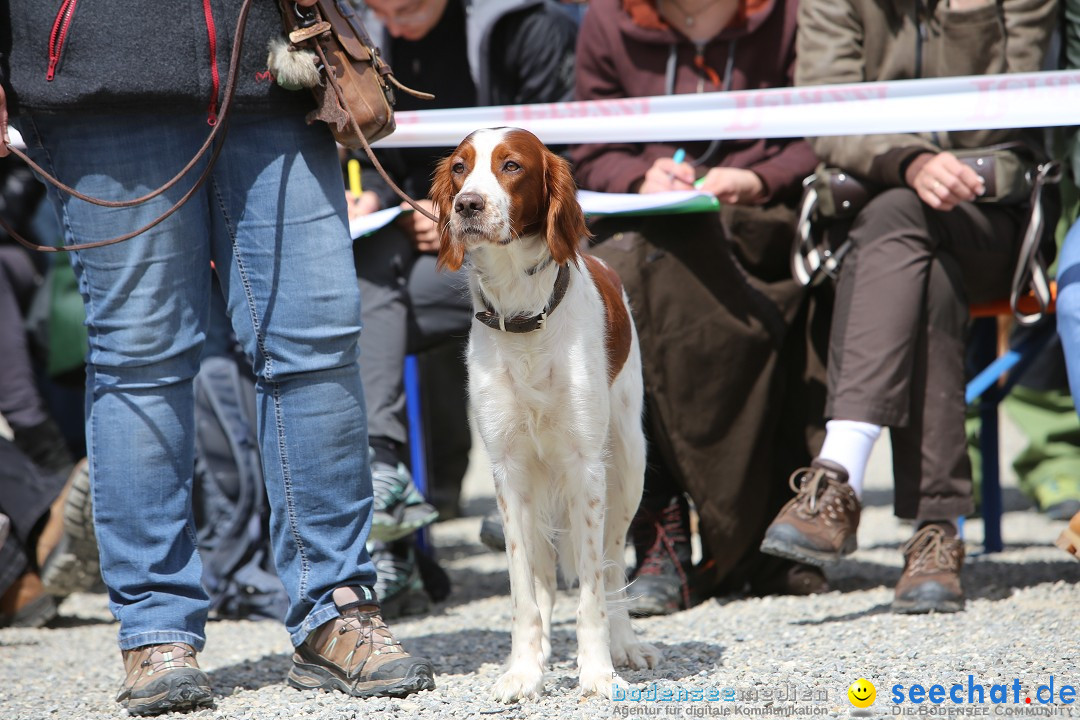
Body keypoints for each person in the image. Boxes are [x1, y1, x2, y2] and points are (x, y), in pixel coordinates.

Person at [1, 0, 434, 715]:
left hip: (275, 65)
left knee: (318, 341)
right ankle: (155, 627)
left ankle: (336, 604)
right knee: (140, 358)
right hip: (100, 79)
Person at [758, 0, 1059, 614]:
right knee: (921, 261)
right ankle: (936, 536)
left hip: (994, 218)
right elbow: (825, 112)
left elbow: (1012, 116)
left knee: (902, 226)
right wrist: (909, 162)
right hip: (883, 222)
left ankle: (837, 475)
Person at [572, 0, 830, 615]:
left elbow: (822, 131)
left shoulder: (790, 17)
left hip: (757, 225)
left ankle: (751, 537)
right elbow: (587, 143)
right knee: (620, 285)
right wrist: (640, 176)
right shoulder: (607, 21)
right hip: (643, 224)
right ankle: (658, 530)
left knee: (660, 284)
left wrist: (756, 178)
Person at [346, 0, 578, 557]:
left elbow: (562, 157)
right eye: (381, 9)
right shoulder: (355, 35)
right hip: (421, 246)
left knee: (373, 303)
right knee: (364, 281)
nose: (394, 23)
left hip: (519, 255)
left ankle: (389, 487)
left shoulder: (528, 29)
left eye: (410, 8)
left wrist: (459, 210)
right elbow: (359, 151)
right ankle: (385, 476)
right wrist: (389, 199)